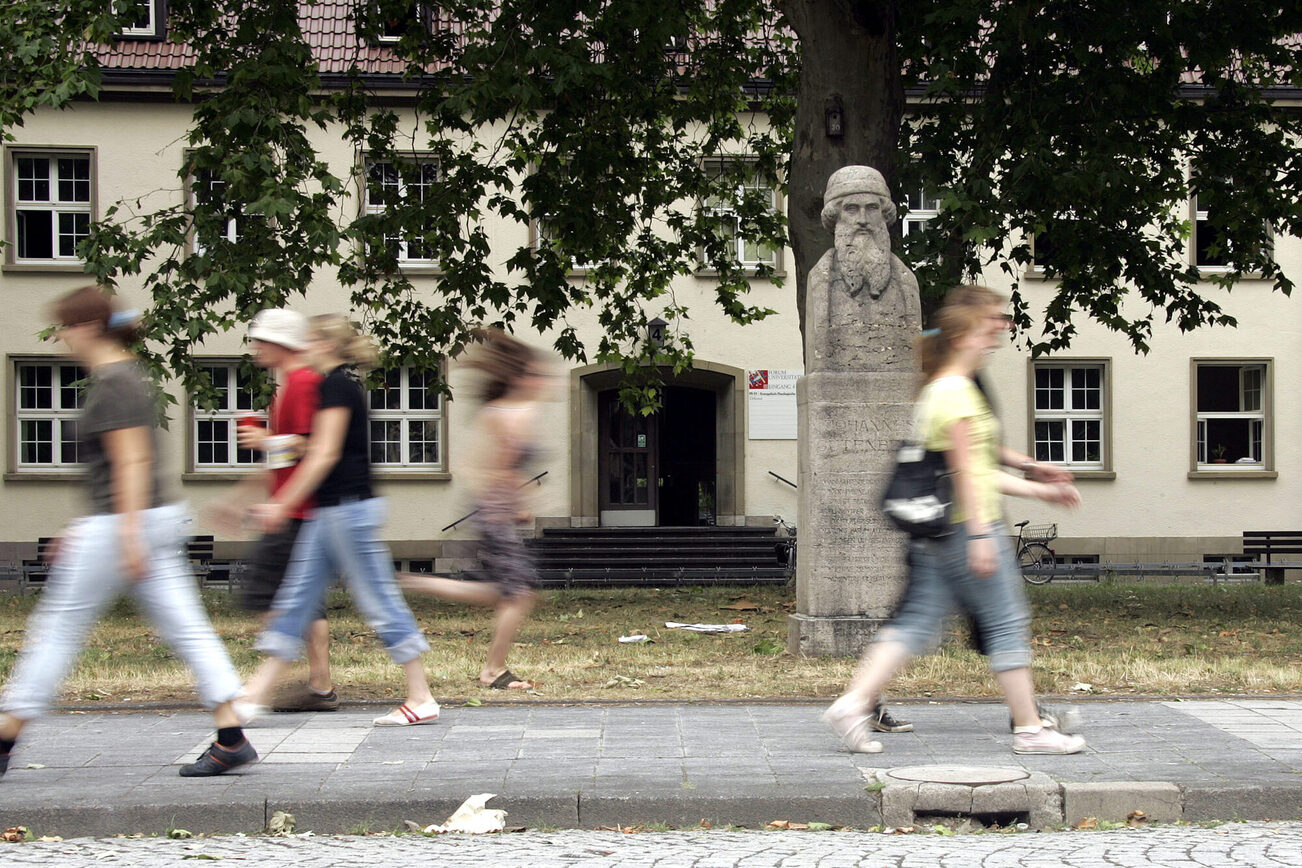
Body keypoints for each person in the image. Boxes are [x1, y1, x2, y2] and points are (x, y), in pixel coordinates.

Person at [0, 286, 255, 777]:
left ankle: (6, 733)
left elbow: (132, 460)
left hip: (123, 524)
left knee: (58, 628)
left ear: (88, 327)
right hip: (137, 520)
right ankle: (230, 735)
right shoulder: (124, 376)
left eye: (66, 327)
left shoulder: (115, 381)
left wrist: (129, 535)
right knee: (187, 627)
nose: (61, 337)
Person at [823, 286, 1087, 756]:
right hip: (967, 530)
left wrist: (1034, 476)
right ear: (965, 335)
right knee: (1006, 622)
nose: (997, 335)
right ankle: (1030, 729)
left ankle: (854, 703)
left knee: (914, 624)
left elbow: (978, 466)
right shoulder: (958, 393)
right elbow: (969, 473)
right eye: (990, 327)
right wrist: (986, 535)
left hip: (942, 533)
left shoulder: (940, 390)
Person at [237, 315, 439, 726]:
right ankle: (254, 693)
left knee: (378, 601)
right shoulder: (336, 385)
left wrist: (281, 503)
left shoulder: (336, 386)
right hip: (334, 510)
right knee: (295, 599)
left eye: (310, 338)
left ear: (325, 346)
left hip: (347, 509)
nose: (303, 345)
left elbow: (323, 453)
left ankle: (421, 697)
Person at [399, 328, 546, 690]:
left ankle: (411, 581)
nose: (544, 383)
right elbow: (492, 466)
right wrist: (511, 502)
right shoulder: (511, 415)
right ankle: (493, 670)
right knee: (520, 594)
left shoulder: (504, 412)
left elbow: (482, 465)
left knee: (501, 592)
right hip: (495, 512)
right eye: (537, 375)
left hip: (493, 510)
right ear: (519, 378)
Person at [222, 308, 337, 712]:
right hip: (293, 510)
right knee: (301, 600)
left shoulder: (303, 383)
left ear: (280, 344)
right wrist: (236, 499)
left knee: (274, 598)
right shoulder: (287, 386)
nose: (255, 348)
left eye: (261, 340)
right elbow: (280, 460)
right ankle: (318, 687)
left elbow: (308, 446)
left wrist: (267, 443)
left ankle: (260, 689)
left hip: (298, 513)